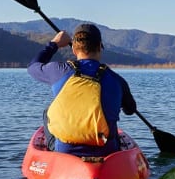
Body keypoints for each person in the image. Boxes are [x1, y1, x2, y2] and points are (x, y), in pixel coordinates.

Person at [28, 23, 137, 156]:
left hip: (65, 152)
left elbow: (33, 67)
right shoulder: (117, 80)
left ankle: (55, 152)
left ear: (74, 49)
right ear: (100, 47)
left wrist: (54, 43)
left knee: (48, 111)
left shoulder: (59, 71)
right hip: (106, 153)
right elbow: (130, 110)